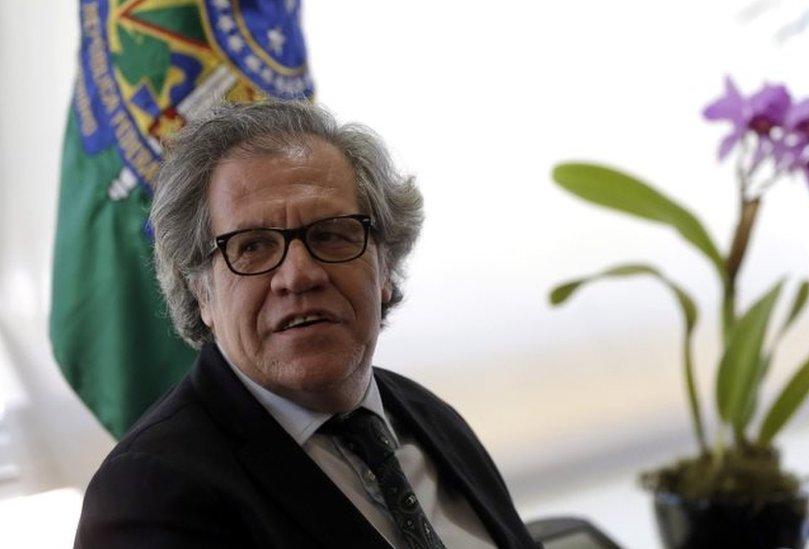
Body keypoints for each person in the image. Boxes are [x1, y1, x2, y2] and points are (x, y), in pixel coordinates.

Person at [74, 101, 538, 549]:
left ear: (386, 268)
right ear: (202, 294)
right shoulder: (148, 495)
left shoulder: (427, 416)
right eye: (253, 246)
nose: (299, 275)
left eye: (332, 234)